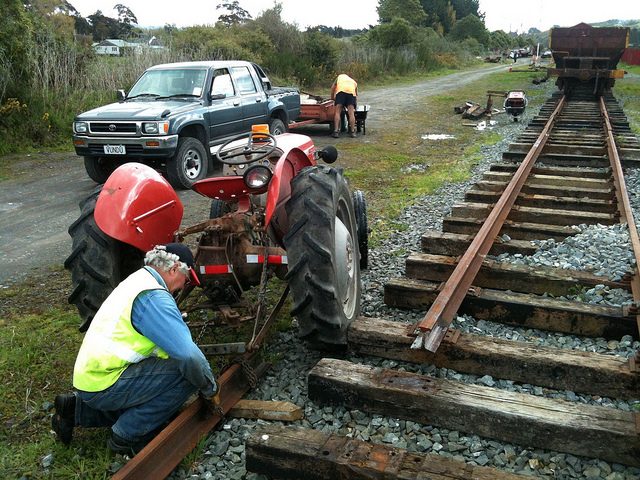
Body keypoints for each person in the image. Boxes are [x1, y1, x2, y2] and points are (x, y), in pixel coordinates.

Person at [51, 243, 218, 456]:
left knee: (158, 385)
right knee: (186, 374)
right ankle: (127, 435)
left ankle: (75, 410)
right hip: (105, 383)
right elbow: (189, 356)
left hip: (90, 379)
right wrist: (210, 388)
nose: (183, 286)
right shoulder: (153, 297)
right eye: (187, 280)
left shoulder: (137, 281)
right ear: (174, 269)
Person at [330, 73, 358, 138]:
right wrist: (355, 105)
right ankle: (353, 132)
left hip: (341, 92)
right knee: (351, 113)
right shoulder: (353, 82)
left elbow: (332, 88)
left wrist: (332, 98)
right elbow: (355, 95)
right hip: (351, 94)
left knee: (337, 112)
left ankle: (336, 131)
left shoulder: (339, 77)